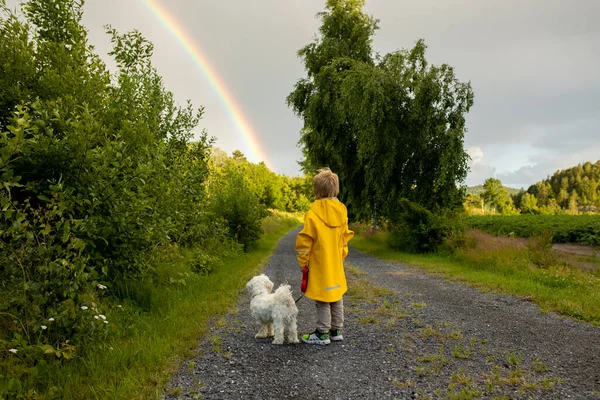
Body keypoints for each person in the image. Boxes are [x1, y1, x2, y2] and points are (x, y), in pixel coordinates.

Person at [296, 168, 354, 345]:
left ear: (317, 190)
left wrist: (303, 262)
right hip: (336, 262)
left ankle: (322, 333)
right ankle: (336, 330)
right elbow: (344, 238)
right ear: (335, 189)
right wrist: (341, 255)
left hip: (320, 263)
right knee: (336, 294)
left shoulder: (313, 214)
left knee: (322, 297)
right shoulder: (341, 211)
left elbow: (305, 241)